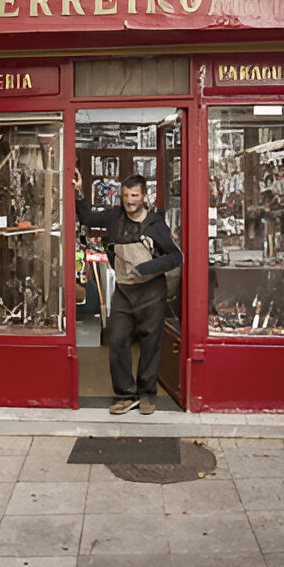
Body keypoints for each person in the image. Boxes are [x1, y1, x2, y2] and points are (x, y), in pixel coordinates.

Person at [75, 171, 182, 414]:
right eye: (125, 196)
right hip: (124, 291)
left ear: (144, 196)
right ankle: (125, 394)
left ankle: (147, 394)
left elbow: (176, 257)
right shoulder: (115, 216)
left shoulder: (156, 225)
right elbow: (87, 217)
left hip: (152, 293)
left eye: (134, 196)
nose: (129, 201)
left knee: (150, 344)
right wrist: (78, 191)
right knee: (118, 340)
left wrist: (146, 268)